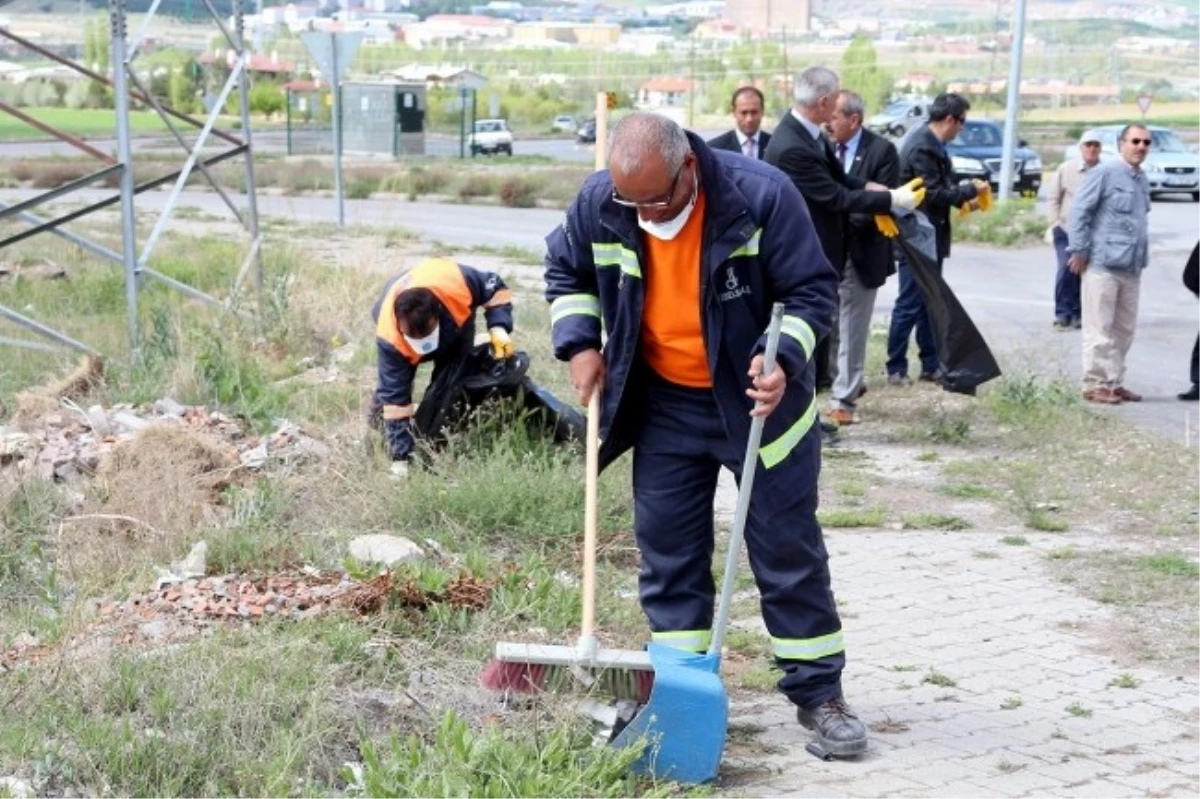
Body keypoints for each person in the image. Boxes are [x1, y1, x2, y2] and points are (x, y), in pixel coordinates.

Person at [544, 112, 867, 756]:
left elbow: (812, 291)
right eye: (628, 202)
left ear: (688, 168)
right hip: (663, 403)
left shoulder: (762, 196)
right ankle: (681, 688)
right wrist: (580, 345)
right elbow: (566, 272)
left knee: (785, 547)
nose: (641, 215)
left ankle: (818, 694)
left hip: (755, 406)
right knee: (669, 551)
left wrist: (785, 359)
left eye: (654, 201)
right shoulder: (603, 200)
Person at [764, 66, 923, 393]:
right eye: (836, 99)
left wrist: (870, 186)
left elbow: (841, 179)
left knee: (821, 338)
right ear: (823, 102)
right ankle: (806, 406)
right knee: (807, 338)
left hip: (824, 251)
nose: (838, 105)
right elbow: (834, 196)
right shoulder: (792, 144)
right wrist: (892, 199)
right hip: (802, 255)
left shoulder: (811, 133)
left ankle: (814, 402)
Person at [370, 257, 516, 472]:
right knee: (390, 396)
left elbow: (496, 290)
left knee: (450, 384)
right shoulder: (390, 337)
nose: (422, 344)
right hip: (398, 320)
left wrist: (499, 327)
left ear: (437, 311)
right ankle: (381, 436)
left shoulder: (458, 283)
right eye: (415, 337)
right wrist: (400, 459)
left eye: (426, 334)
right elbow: (395, 398)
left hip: (454, 324)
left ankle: (437, 438)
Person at [886, 93, 985, 385]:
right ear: (950, 119)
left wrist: (966, 201)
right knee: (910, 303)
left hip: (930, 235)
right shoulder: (922, 148)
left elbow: (943, 187)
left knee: (931, 301)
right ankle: (896, 367)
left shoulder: (933, 145)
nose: (962, 129)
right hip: (917, 236)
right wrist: (968, 190)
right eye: (962, 122)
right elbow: (933, 194)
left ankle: (930, 364)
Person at [823, 90, 901, 426]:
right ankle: (842, 382)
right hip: (827, 251)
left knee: (853, 327)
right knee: (829, 324)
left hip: (862, 251)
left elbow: (882, 201)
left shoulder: (882, 151)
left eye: (835, 116)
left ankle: (844, 400)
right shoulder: (823, 147)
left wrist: (839, 215)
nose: (829, 122)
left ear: (854, 120)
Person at [1067, 124, 1152, 405]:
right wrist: (1078, 249)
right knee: (1099, 327)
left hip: (1131, 266)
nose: (1141, 147)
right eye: (1135, 141)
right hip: (1103, 263)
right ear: (1121, 144)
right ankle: (1095, 383)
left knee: (1124, 329)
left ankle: (1114, 382)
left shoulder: (1141, 179)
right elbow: (1079, 211)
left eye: (1146, 142)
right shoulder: (1103, 173)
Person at [1046, 131, 1103, 330]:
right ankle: (1063, 313)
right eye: (1088, 145)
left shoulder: (1105, 171)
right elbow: (1053, 198)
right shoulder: (1067, 169)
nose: (1092, 149)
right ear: (1081, 148)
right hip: (1066, 229)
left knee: (1086, 273)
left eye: (1096, 145)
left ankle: (1079, 314)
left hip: (1093, 233)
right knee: (1066, 269)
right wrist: (1054, 224)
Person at [707, 86, 772, 160]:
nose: (749, 119)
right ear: (734, 112)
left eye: (754, 112)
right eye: (744, 113)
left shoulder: (774, 146)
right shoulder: (715, 149)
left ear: (762, 111)